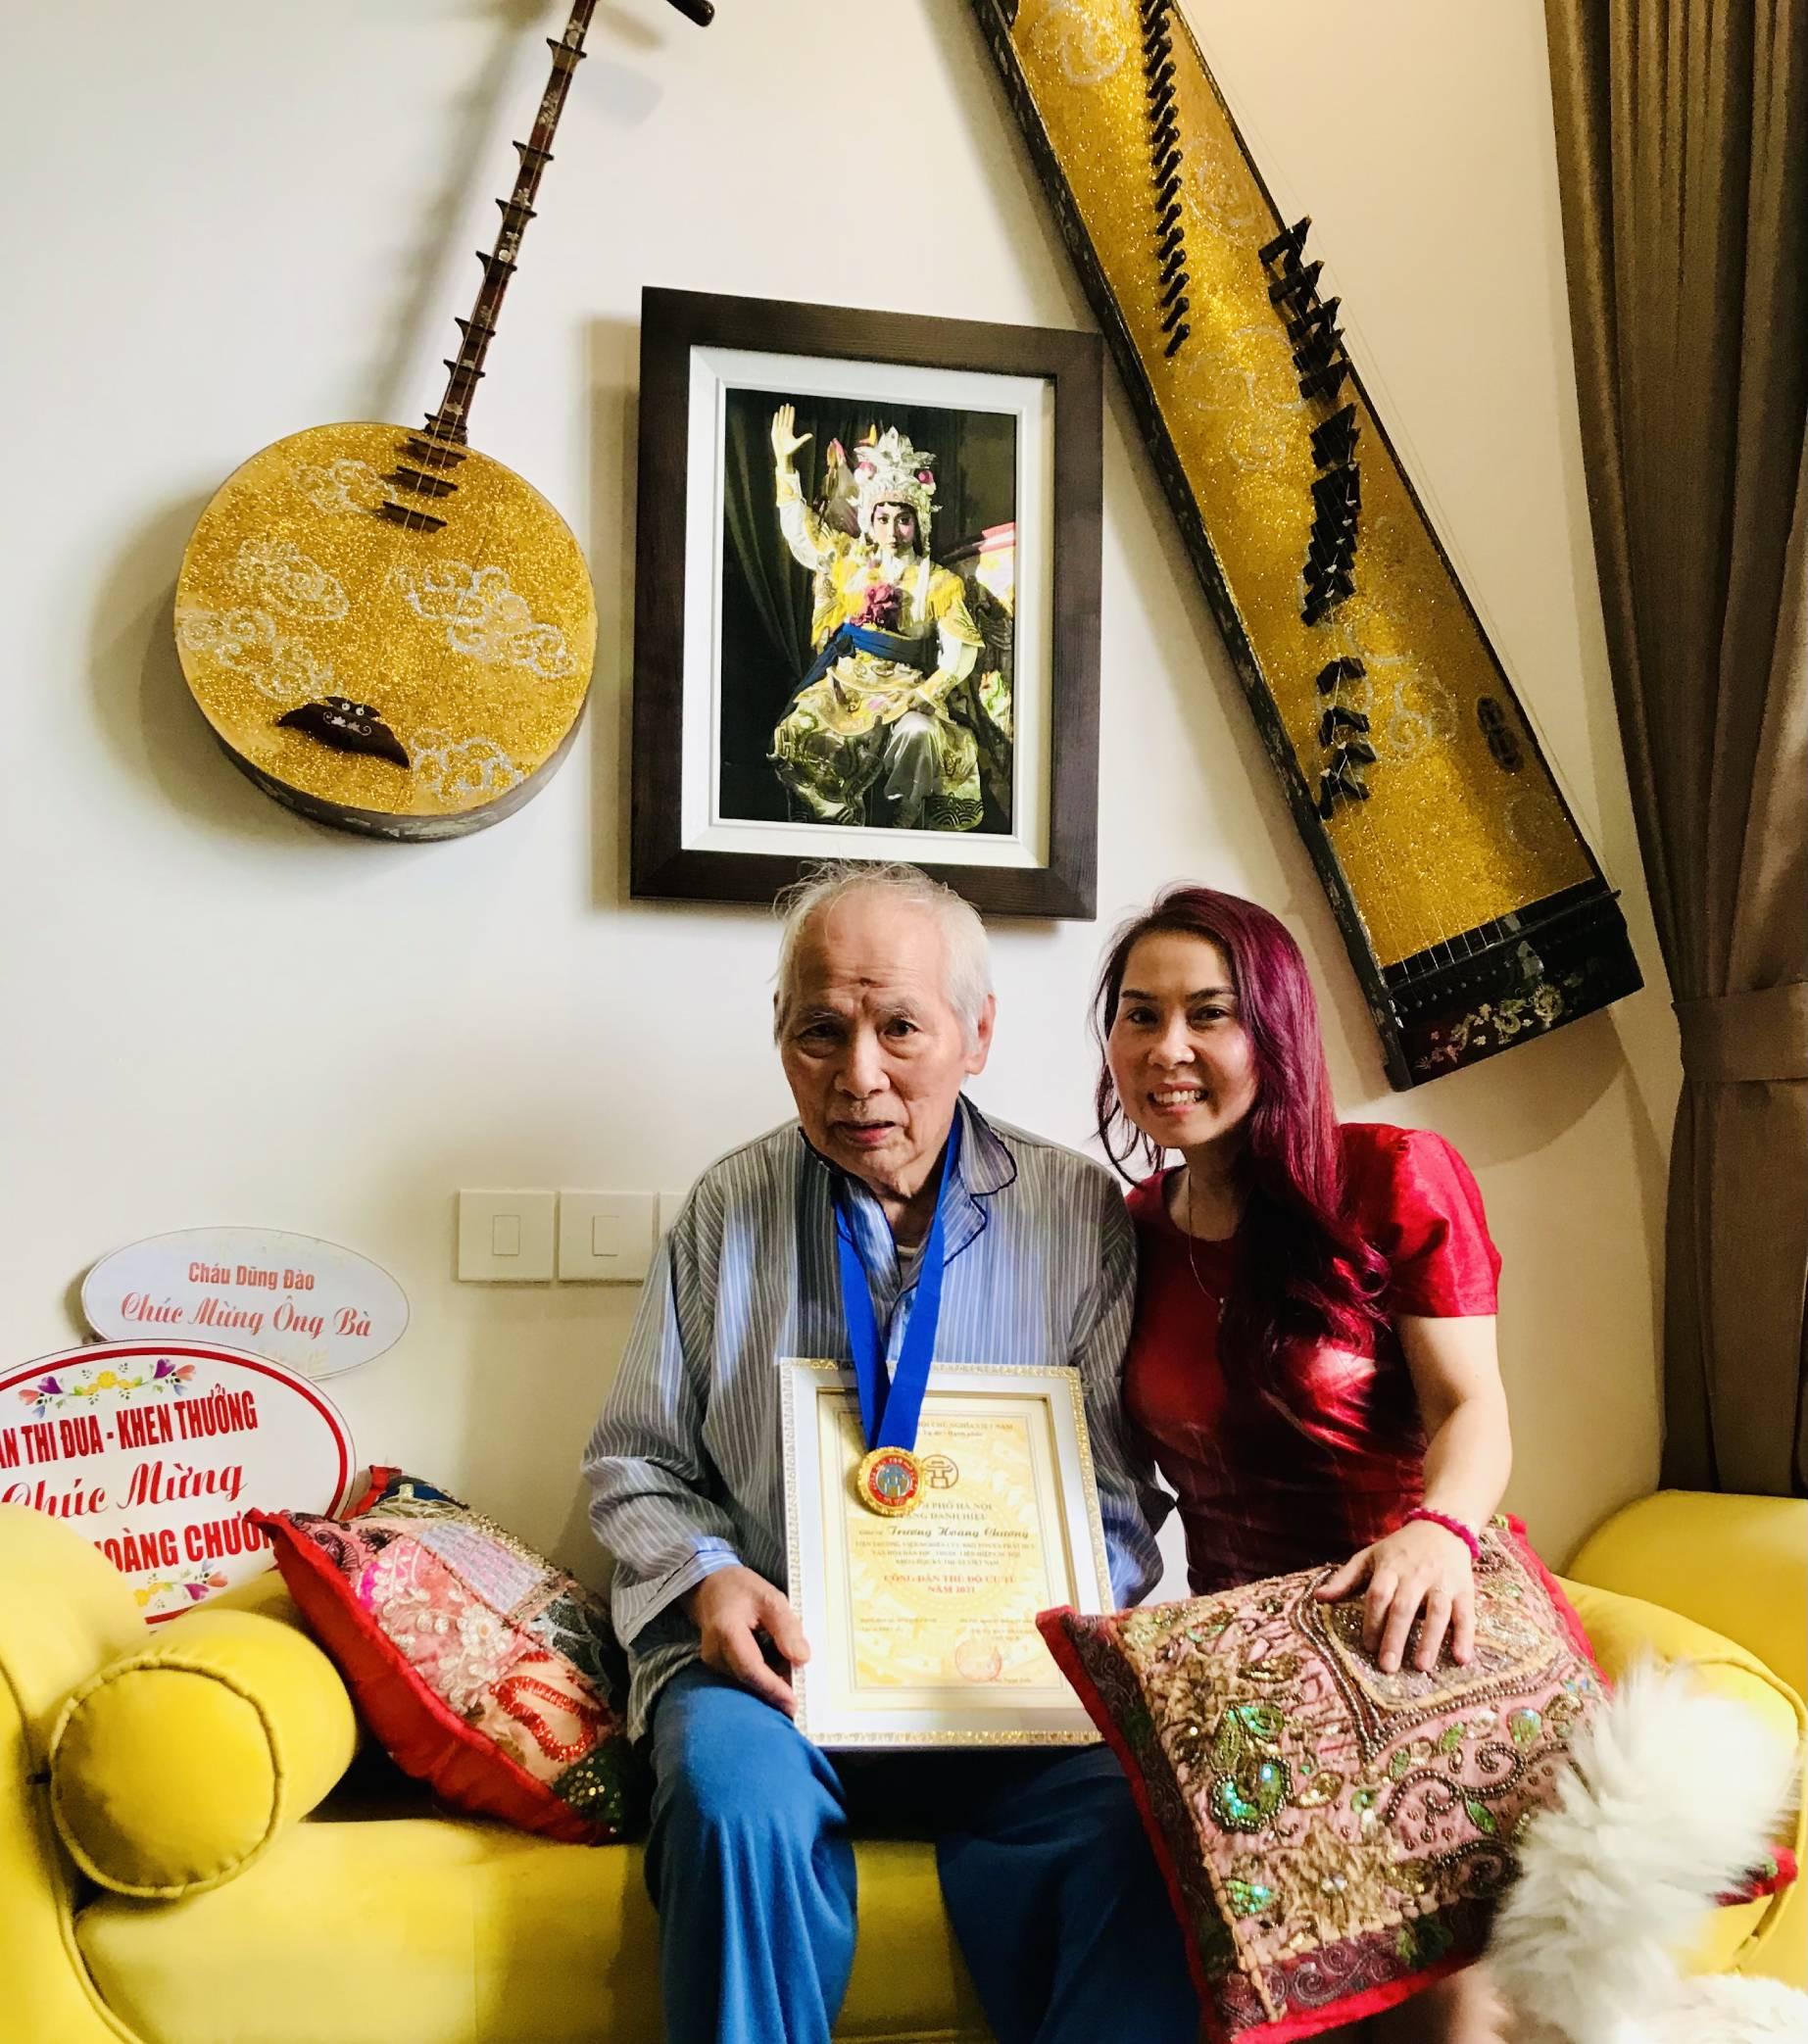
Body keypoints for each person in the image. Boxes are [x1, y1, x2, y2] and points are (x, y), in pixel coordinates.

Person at [583, 861, 1197, 2044]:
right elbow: (636, 1462)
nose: (857, 1074)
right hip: (775, 1676)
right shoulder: (727, 1209)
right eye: (821, 1030)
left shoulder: (1078, 1214)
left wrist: (1036, 1616)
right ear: (782, 1037)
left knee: (1145, 1824)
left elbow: (1116, 1495)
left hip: (1002, 1686)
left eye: (899, 1027)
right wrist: (711, 1577)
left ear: (977, 1035)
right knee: (731, 1808)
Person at [1094, 886, 1514, 2044]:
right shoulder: (1130, 1228)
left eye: (1209, 1013)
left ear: (1274, 1028)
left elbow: (1473, 1406)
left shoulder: (1393, 1172)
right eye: (1140, 1014)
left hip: (1408, 1635)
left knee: (1440, 2018)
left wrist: (1442, 1530)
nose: (1167, 1048)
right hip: (1241, 1682)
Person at [765, 408, 1011, 830]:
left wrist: (927, 694)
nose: (892, 532)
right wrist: (785, 465)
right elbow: (804, 537)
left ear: (918, 523)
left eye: (903, 521)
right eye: (882, 519)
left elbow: (960, 654)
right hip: (845, 685)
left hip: (905, 689)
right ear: (869, 520)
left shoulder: (940, 582)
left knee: (919, 733)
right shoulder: (849, 559)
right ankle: (833, 829)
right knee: (800, 729)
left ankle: (906, 817)